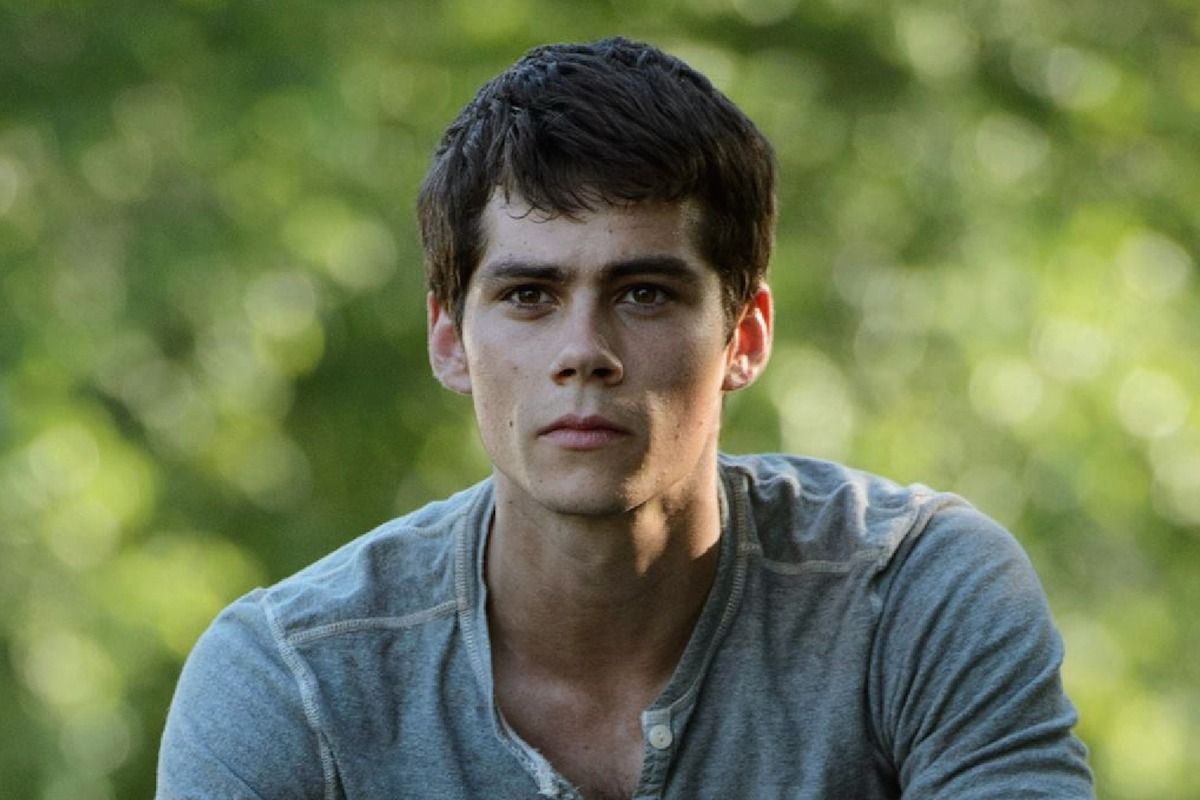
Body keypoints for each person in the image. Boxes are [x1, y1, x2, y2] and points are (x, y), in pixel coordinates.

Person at [157, 37, 1093, 799]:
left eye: (644, 293)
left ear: (744, 335)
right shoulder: (293, 682)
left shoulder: (916, 601)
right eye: (528, 295)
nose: (585, 350)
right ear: (450, 341)